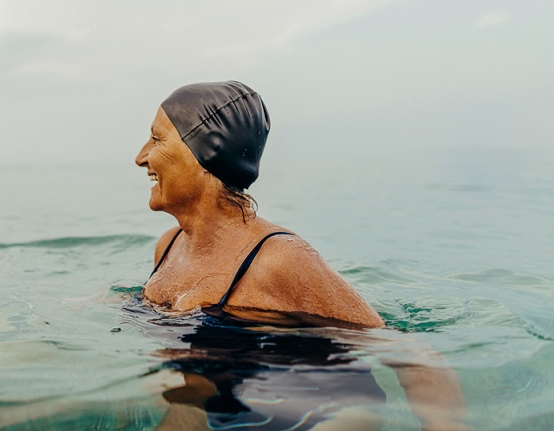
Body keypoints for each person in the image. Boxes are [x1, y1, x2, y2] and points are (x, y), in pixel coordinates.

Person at [133, 81, 468, 430]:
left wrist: (445, 424)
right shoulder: (169, 245)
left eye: (157, 140)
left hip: (321, 409)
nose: (141, 157)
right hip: (222, 396)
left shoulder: (277, 260)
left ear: (207, 153)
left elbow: (405, 351)